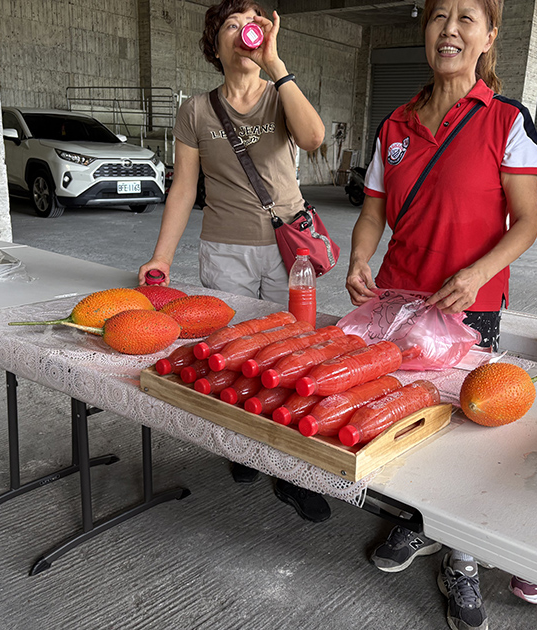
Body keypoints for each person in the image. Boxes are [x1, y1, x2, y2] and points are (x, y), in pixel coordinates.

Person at [345, 1, 537, 628]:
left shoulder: (506, 118)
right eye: (437, 17)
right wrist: (359, 258)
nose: (449, 29)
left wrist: (478, 274)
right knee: (401, 415)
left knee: (464, 432)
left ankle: (462, 556)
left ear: (488, 36)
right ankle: (416, 519)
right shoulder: (394, 125)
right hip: (397, 303)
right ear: (424, 30)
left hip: (468, 307)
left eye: (466, 18)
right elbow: (373, 212)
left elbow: (528, 220)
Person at [138, 0, 331, 522]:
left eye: (253, 23)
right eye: (232, 24)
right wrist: (161, 258)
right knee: (232, 355)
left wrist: (277, 64)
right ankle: (245, 447)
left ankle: (290, 469)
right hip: (225, 252)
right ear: (215, 45)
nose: (244, 31)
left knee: (292, 356)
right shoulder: (196, 111)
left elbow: (314, 139)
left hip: (288, 250)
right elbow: (184, 187)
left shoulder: (279, 94)